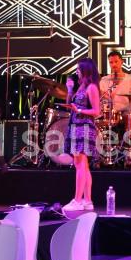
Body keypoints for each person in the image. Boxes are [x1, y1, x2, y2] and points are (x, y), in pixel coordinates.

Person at [57, 57, 102, 211]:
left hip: (84, 127)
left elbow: (97, 111)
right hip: (76, 125)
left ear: (86, 70)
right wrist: (69, 89)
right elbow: (71, 103)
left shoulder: (92, 88)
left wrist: (80, 110)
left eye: (78, 69)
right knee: (82, 165)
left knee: (80, 164)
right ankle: (87, 201)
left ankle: (77, 200)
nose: (76, 72)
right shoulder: (81, 86)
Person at [99, 50, 131, 164]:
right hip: (107, 112)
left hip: (124, 111)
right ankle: (99, 155)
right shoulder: (104, 80)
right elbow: (100, 99)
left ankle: (129, 155)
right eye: (111, 62)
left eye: (116, 62)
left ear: (122, 62)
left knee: (129, 116)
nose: (114, 65)